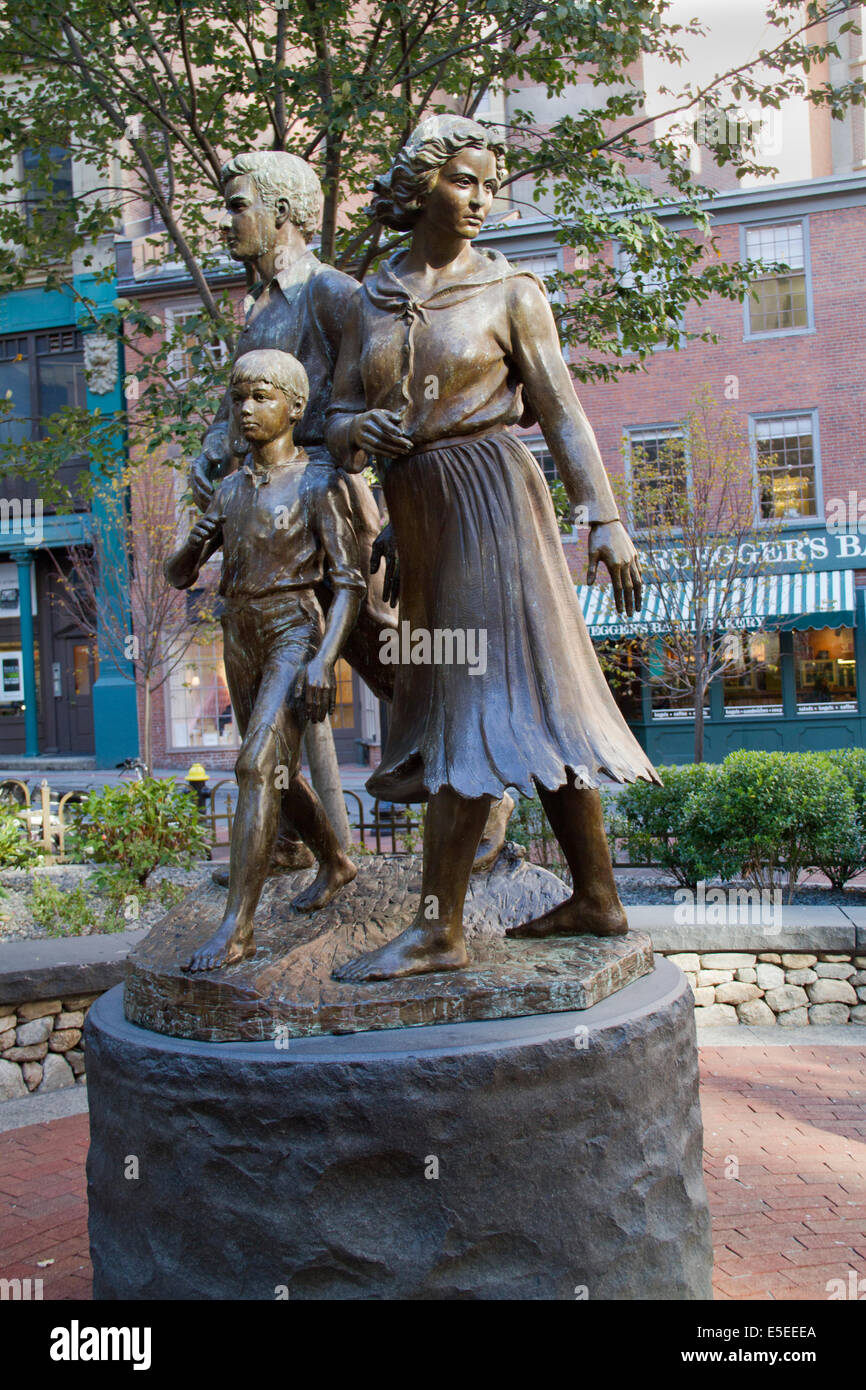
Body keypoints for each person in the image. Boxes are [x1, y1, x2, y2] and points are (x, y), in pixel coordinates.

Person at [325, 115, 660, 983]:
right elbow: (332, 420)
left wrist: (607, 516)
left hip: (494, 505)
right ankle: (597, 898)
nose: (481, 199)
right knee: (526, 699)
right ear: (422, 185)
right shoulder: (373, 297)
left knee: (471, 701)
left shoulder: (512, 291)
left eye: (487, 183)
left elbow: (561, 410)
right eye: (464, 181)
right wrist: (358, 428)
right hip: (422, 515)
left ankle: (440, 929)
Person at [194, 149, 511, 879]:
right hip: (263, 515)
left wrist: (390, 503)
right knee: (252, 673)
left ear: (282, 212)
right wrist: (214, 450)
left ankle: (481, 794)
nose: (226, 219)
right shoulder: (260, 305)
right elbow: (238, 402)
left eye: (237, 204)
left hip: (329, 505)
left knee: (393, 657)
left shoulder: (334, 293)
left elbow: (379, 393)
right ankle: (279, 838)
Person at [166, 349, 362, 971]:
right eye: (238, 397)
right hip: (239, 629)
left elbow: (350, 582)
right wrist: (194, 544)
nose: (246, 409)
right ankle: (334, 860)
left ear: (294, 408)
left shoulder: (318, 480)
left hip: (292, 626)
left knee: (255, 764)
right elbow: (177, 578)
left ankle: (237, 930)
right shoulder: (227, 489)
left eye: (261, 396)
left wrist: (324, 660)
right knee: (272, 764)